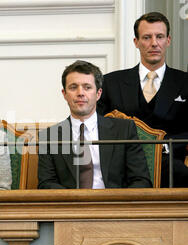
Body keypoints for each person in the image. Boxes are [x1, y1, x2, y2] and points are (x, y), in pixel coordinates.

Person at [97, 11, 188, 187]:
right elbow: (96, 126)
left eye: (159, 36)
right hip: (120, 172)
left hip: (172, 173)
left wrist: (166, 146)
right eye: (147, 37)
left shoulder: (185, 83)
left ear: (168, 40)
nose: (154, 43)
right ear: (136, 42)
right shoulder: (110, 82)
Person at [38, 60, 152, 189]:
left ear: (98, 94)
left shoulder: (124, 130)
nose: (80, 93)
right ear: (64, 94)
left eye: (87, 87)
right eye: (73, 87)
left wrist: (117, 204)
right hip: (70, 206)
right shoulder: (49, 136)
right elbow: (46, 183)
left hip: (113, 205)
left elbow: (141, 180)